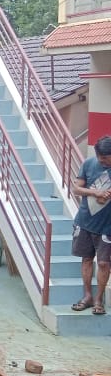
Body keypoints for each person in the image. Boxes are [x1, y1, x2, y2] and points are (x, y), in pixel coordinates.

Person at [70, 135, 111, 315]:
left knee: (103, 263)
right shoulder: (88, 164)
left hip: (107, 226)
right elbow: (76, 189)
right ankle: (87, 296)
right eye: (100, 158)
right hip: (85, 221)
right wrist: (96, 193)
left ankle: (99, 299)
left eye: (106, 158)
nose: (103, 161)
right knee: (86, 259)